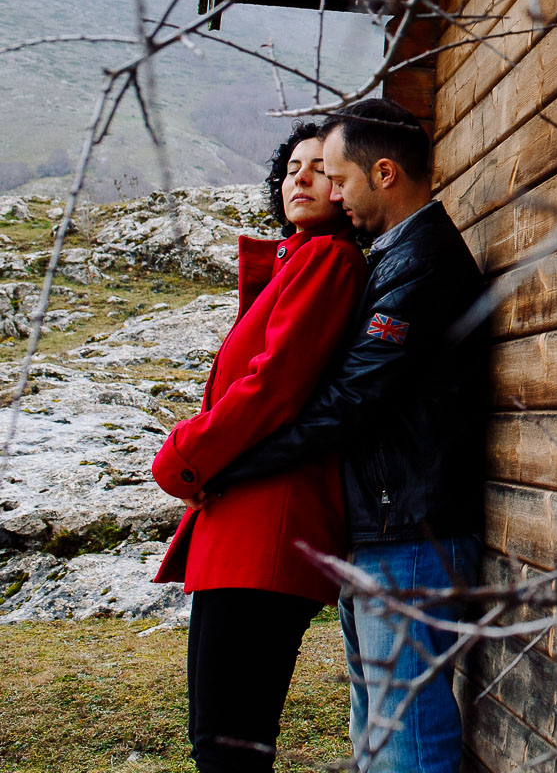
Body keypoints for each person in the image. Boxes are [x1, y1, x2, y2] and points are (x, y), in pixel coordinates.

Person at [207, 98, 488, 773]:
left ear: (384, 173)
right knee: (374, 733)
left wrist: (235, 461)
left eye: (339, 177)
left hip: (413, 533)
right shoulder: (396, 256)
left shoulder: (422, 263)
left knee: (406, 742)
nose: (331, 192)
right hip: (383, 526)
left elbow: (351, 399)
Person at [151, 123, 370, 773]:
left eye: (319, 169)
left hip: (266, 533)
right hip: (244, 531)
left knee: (228, 747)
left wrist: (183, 454)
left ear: (350, 185)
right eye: (291, 168)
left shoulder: (329, 259)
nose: (298, 178)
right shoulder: (299, 262)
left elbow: (273, 387)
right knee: (222, 743)